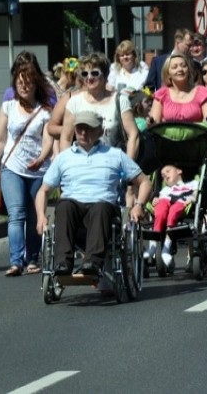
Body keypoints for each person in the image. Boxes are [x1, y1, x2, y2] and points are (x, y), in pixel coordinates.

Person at [35, 111, 150, 276]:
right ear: (74, 130)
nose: (83, 133)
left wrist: (139, 205)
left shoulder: (115, 154)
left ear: (100, 131)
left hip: (104, 207)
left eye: (88, 128)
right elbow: (43, 191)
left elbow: (145, 182)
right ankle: (62, 263)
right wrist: (40, 216)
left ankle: (92, 263)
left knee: (100, 207)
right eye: (80, 128)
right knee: (65, 205)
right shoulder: (63, 158)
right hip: (73, 208)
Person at [0, 61, 54, 276]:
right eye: (19, 83)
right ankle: (16, 261)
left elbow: (47, 142)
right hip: (12, 168)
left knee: (35, 217)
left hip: (38, 170)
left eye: (28, 83)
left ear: (36, 85)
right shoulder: (8, 106)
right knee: (16, 214)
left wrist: (41, 159)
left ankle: (32, 259)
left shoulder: (45, 111)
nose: (24, 87)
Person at [60, 53, 140, 160]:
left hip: (113, 165)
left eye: (94, 73)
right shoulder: (74, 102)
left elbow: (133, 135)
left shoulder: (120, 100)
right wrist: (68, 165)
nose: (89, 78)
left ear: (105, 75)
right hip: (82, 165)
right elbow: (66, 138)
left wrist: (127, 168)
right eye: (84, 74)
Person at [143, 164, 199, 265]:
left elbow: (195, 193)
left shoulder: (190, 183)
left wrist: (191, 198)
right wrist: (155, 197)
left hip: (181, 200)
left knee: (172, 213)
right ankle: (153, 246)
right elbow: (158, 192)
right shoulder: (166, 188)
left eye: (168, 172)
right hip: (165, 199)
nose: (165, 176)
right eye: (163, 175)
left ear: (179, 171)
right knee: (160, 212)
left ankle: (166, 247)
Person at [151, 54, 207, 124]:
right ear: (168, 74)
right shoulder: (161, 94)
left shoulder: (202, 93)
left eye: (183, 66)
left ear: (188, 70)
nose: (180, 69)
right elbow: (154, 124)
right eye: (174, 67)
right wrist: (150, 122)